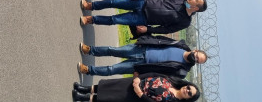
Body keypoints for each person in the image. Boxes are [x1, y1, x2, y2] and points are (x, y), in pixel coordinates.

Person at [77, 36, 207, 77]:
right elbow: (160, 39)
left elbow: (161, 76)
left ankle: (88, 70)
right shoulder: (181, 44)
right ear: (195, 50)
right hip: (141, 49)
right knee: (113, 50)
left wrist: (141, 75)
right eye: (197, 56)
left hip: (141, 66)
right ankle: (90, 50)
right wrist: (144, 40)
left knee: (112, 69)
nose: (195, 58)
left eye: (197, 61)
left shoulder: (182, 71)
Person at [80, 0, 207, 35]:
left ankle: (91, 20)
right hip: (143, 2)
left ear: (196, 8)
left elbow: (166, 29)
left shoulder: (185, 22)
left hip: (144, 18)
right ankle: (91, 5)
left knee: (115, 19)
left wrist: (148, 29)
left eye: (196, 0)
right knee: (114, 2)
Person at [72, 74, 200, 102]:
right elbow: (154, 73)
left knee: (110, 97)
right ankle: (85, 88)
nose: (187, 90)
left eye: (190, 93)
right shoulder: (173, 81)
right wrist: (139, 78)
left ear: (188, 99)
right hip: (134, 83)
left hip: (136, 96)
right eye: (189, 87)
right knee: (109, 85)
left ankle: (83, 98)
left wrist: (140, 94)